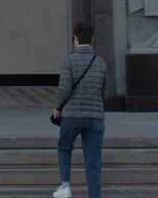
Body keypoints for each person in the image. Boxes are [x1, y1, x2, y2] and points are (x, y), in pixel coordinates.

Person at [50, 21, 107, 198]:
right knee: (93, 165)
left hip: (72, 116)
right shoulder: (101, 62)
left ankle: (65, 186)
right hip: (95, 118)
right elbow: (105, 92)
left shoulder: (70, 59)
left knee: (64, 148)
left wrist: (57, 107)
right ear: (92, 39)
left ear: (75, 37)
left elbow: (64, 89)